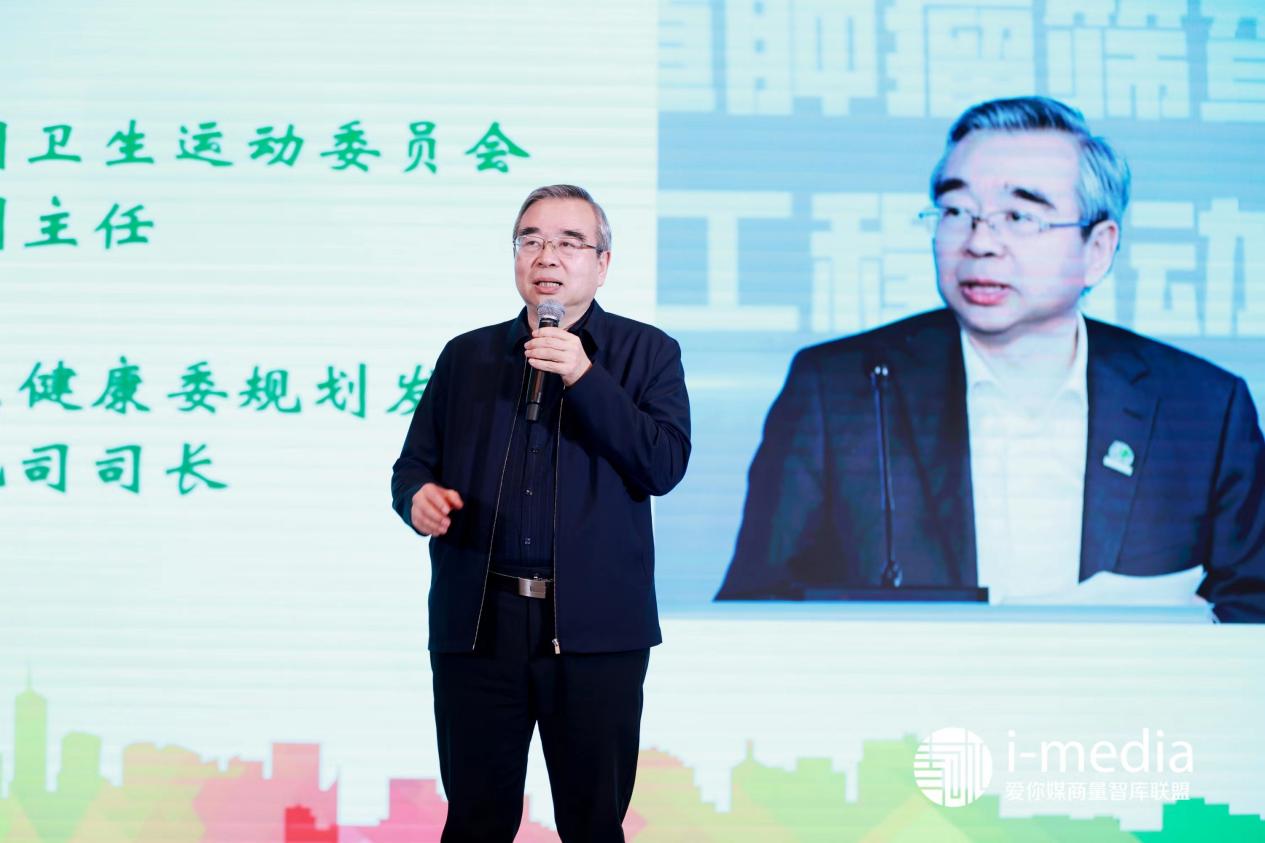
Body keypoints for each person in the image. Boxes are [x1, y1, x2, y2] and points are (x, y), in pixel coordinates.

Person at [716, 96, 1265, 622]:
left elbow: (1252, 609)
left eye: (1019, 216)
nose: (980, 242)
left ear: (1097, 249)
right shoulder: (840, 390)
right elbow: (756, 607)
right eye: (957, 211)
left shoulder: (1202, 410)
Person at [391, 184, 691, 841]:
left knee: (592, 822)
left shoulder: (647, 352)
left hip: (595, 631)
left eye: (568, 242)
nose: (546, 255)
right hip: (479, 625)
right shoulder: (467, 355)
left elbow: (664, 466)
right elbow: (412, 466)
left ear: (602, 263)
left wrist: (584, 377)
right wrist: (418, 498)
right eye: (530, 240)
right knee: (475, 821)